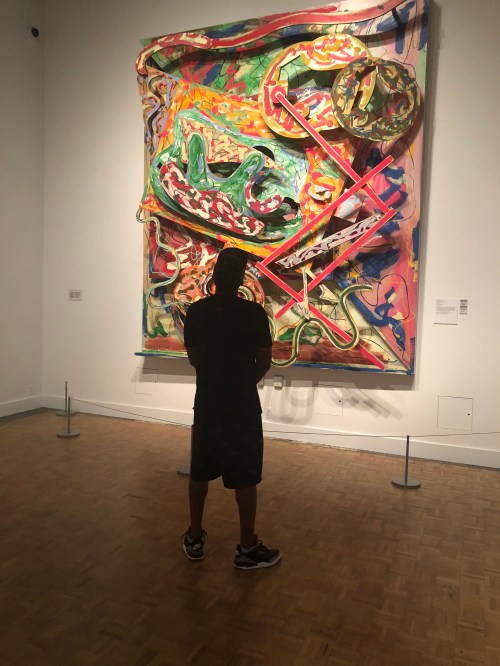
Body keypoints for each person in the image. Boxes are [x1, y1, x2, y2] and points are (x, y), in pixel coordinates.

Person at [182, 247, 281, 570]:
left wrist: (216, 378)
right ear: (241, 280)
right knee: (246, 477)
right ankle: (247, 547)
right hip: (242, 406)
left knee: (200, 471)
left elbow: (194, 358)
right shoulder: (253, 314)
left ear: (214, 278)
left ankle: (195, 537)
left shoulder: (196, 312)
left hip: (208, 402)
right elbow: (263, 362)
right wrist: (241, 383)